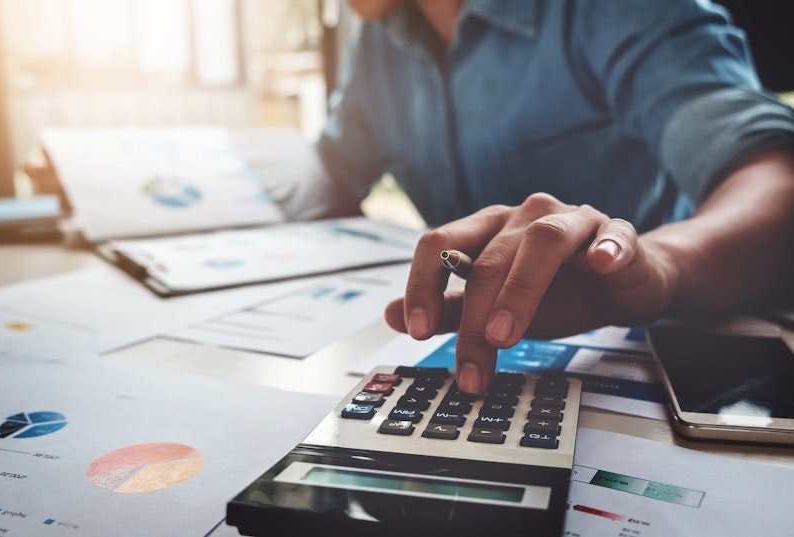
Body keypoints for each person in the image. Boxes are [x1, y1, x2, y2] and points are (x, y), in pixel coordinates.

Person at [268, 0, 794, 395]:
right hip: (492, 365)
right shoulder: (380, 39)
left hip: (668, 358)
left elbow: (776, 176)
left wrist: (664, 265)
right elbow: (332, 178)